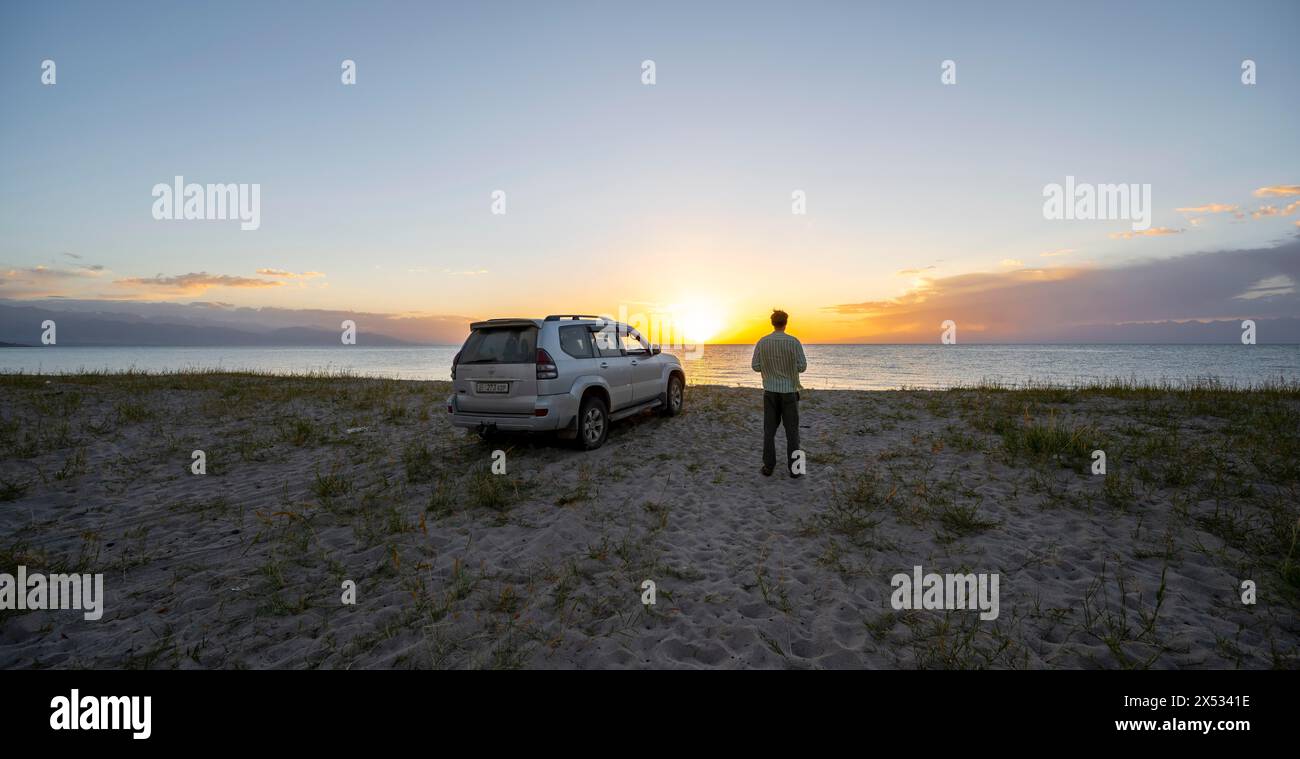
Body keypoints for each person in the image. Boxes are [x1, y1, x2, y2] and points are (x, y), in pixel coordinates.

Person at [750, 309, 807, 477]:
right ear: (786, 323)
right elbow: (802, 367)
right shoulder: (793, 342)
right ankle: (795, 470)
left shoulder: (763, 342)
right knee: (792, 432)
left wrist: (769, 370)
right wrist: (788, 368)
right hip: (789, 391)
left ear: (772, 322)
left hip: (770, 392)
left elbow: (755, 366)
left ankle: (768, 467)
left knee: (769, 431)